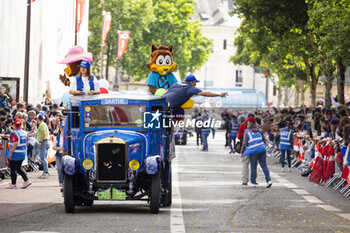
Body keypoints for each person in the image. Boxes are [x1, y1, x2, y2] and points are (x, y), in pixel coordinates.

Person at [241, 117, 272, 188]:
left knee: (253, 166)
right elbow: (264, 139)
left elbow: (244, 143)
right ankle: (268, 180)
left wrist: (242, 151)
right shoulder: (260, 130)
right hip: (262, 149)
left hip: (253, 150)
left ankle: (253, 182)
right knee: (264, 165)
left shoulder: (247, 132)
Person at [163, 75, 228, 109]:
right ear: (191, 82)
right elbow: (204, 93)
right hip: (168, 107)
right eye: (195, 82)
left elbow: (166, 91)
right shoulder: (190, 87)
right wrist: (219, 94)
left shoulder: (177, 83)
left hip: (161, 101)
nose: (196, 84)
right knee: (167, 127)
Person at [6, 119, 32, 189]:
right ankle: (26, 180)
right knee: (18, 167)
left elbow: (15, 143)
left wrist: (11, 153)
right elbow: (27, 143)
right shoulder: (25, 133)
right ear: (21, 125)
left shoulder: (14, 133)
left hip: (15, 153)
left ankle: (13, 184)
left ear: (14, 125)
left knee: (13, 169)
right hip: (22, 153)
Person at [237, 112, 254, 185]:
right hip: (254, 147)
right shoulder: (257, 126)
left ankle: (245, 180)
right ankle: (253, 180)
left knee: (245, 163)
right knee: (254, 163)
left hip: (246, 147)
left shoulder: (243, 124)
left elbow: (239, 136)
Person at [36, 114, 51, 178]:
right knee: (44, 157)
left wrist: (40, 141)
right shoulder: (43, 124)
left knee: (43, 158)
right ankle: (46, 171)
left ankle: (46, 171)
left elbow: (43, 133)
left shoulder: (41, 125)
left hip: (44, 142)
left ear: (38, 119)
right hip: (46, 141)